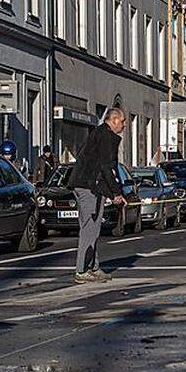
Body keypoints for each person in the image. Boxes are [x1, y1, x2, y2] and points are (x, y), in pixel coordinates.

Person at [67, 107, 127, 283]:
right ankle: (81, 270)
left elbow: (106, 168)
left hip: (92, 186)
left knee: (94, 228)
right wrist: (116, 193)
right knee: (89, 227)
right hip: (87, 186)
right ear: (114, 120)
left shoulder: (102, 134)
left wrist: (113, 192)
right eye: (123, 121)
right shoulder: (105, 136)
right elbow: (105, 167)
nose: (124, 125)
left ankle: (93, 266)